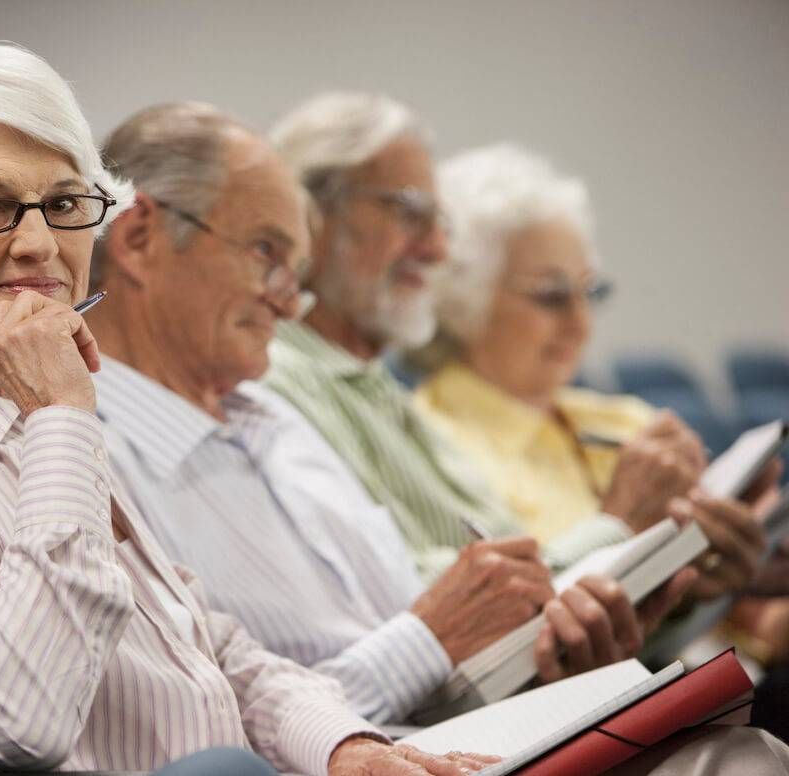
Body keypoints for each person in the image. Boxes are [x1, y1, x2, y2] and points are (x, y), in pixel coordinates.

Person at [0, 42, 496, 776]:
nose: (41, 245)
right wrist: (62, 419)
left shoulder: (28, 415)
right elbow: (18, 719)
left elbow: (210, 647)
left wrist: (346, 748)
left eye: (66, 204)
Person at [86, 100, 789, 774]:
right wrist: (434, 642)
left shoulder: (273, 420)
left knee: (743, 740)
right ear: (141, 239)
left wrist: (548, 651)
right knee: (744, 752)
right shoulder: (96, 463)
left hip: (461, 728)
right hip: (367, 756)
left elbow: (443, 642)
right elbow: (219, 727)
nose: (286, 297)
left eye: (292, 269)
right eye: (267, 253)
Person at [263, 92, 775, 592]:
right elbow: (430, 613)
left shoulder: (377, 392)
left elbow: (548, 628)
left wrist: (686, 587)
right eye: (408, 211)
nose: (439, 248)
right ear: (310, 214)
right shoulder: (278, 381)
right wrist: (620, 527)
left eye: (590, 292)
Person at [417, 143, 777, 599]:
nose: (581, 324)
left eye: (591, 292)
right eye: (552, 295)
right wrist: (624, 523)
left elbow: (726, 616)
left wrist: (748, 568)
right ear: (464, 297)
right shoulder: (432, 445)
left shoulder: (628, 422)